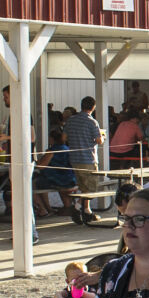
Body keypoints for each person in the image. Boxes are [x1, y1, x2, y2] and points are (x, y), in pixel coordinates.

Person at [63, 96, 103, 225]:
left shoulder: (71, 120)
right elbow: (99, 141)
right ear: (93, 107)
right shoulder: (92, 122)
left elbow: (64, 137)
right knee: (91, 187)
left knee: (83, 186)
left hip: (74, 158)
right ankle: (77, 207)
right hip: (88, 158)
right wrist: (103, 136)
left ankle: (87, 211)